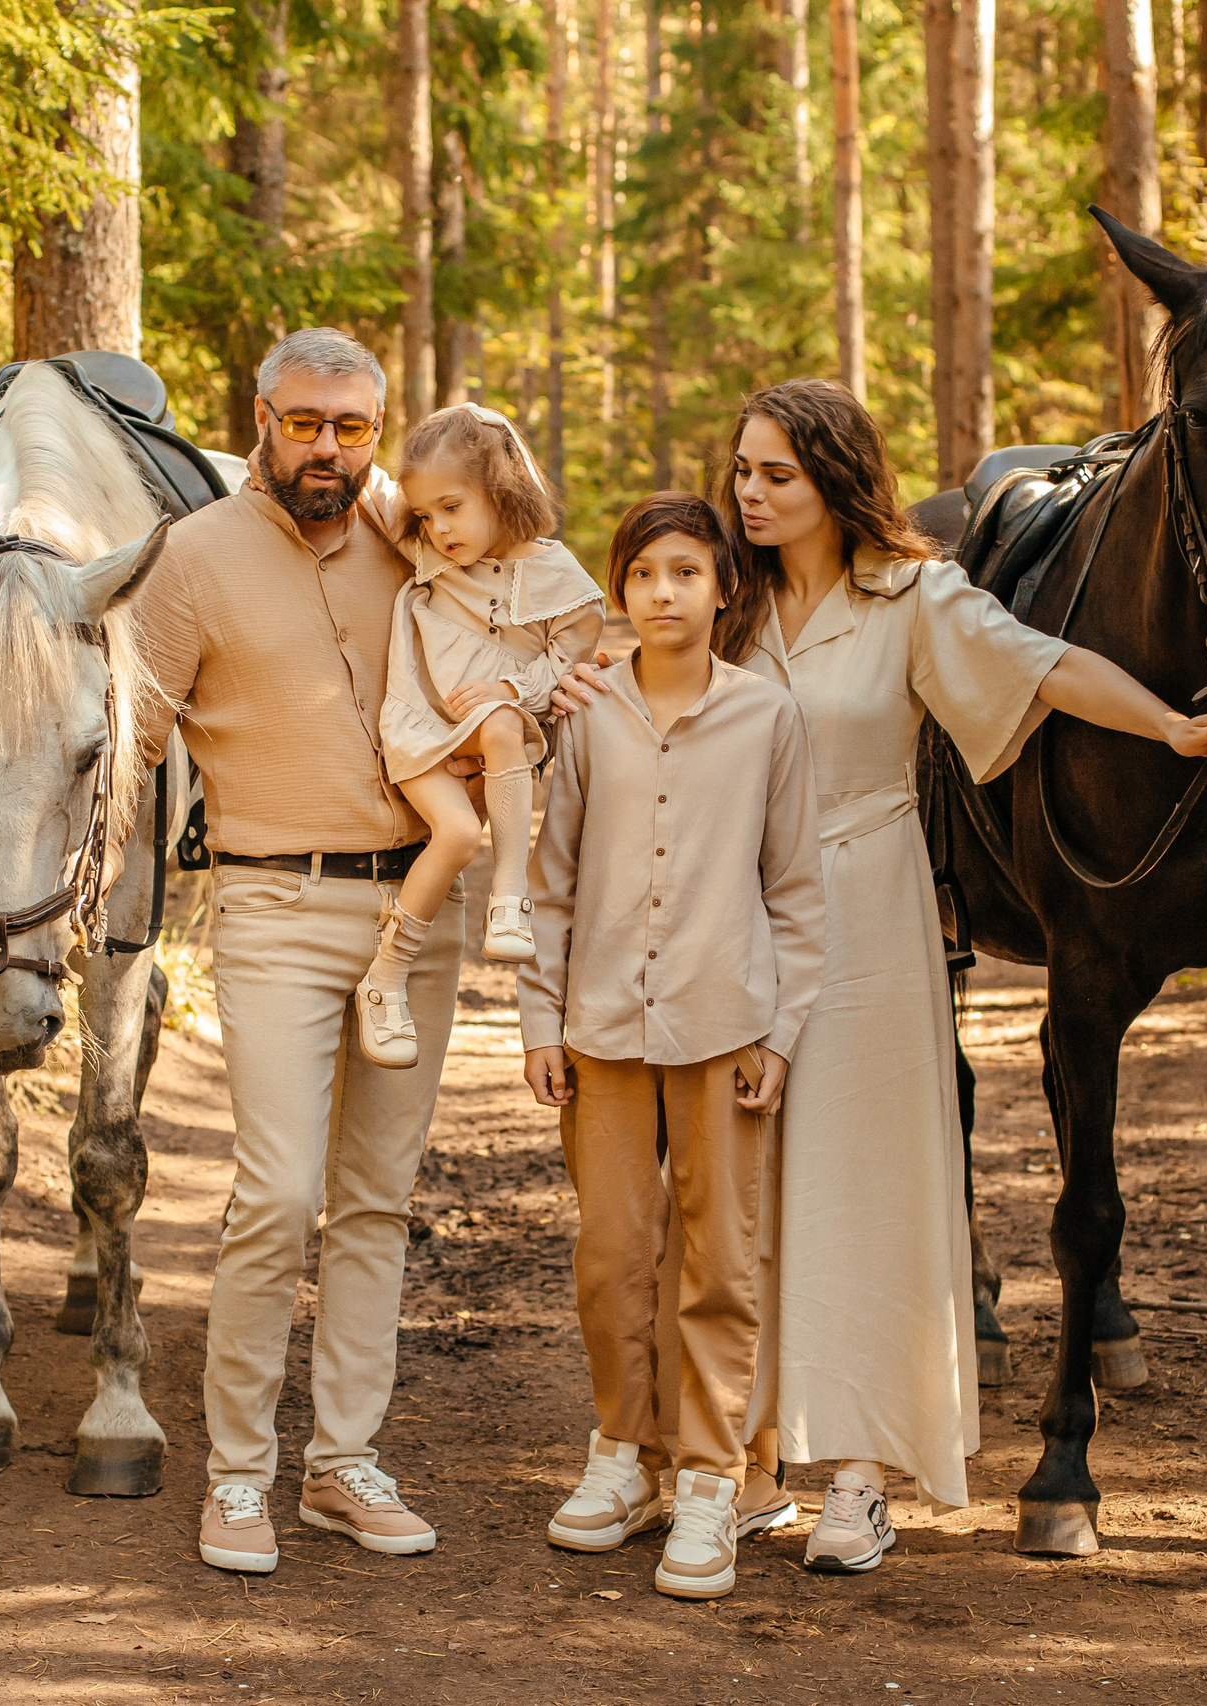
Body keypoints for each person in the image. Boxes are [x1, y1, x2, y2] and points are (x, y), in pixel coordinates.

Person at [700, 378, 1207, 1573]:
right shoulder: (720, 606)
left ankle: (859, 1474)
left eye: (775, 474)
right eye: (741, 470)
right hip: (725, 915)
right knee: (736, 1188)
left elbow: (1045, 668)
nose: (749, 493)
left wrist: (1168, 724)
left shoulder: (913, 597)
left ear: (835, 481)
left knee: (866, 1186)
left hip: (864, 908)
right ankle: (741, 1459)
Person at [125, 328, 468, 1575]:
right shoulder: (193, 558)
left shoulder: (423, 535)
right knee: (274, 1195)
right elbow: (134, 742)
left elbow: (525, 628)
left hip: (419, 917)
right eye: (306, 421)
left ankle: (341, 1463)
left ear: (382, 428)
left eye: (354, 426)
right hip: (274, 907)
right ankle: (234, 1476)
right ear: (260, 415)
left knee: (376, 1200)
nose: (328, 447)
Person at [518, 493, 826, 1601]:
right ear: (620, 590)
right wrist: (538, 1018)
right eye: (643, 574)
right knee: (610, 1253)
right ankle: (622, 1455)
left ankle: (708, 1477)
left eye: (685, 573)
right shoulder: (587, 711)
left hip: (721, 1026)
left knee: (720, 1260)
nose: (663, 593)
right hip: (599, 1026)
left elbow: (793, 892)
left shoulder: (767, 717)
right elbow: (547, 883)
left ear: (722, 588)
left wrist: (779, 1034)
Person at [356, 404, 605, 1069]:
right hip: (419, 728)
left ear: (503, 486)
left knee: (489, 757)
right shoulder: (425, 552)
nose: (438, 528)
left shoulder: (563, 583)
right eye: (427, 515)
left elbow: (570, 663)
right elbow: (366, 483)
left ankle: (499, 904)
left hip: (494, 729)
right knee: (459, 832)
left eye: (452, 507)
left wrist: (512, 689)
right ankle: (387, 978)